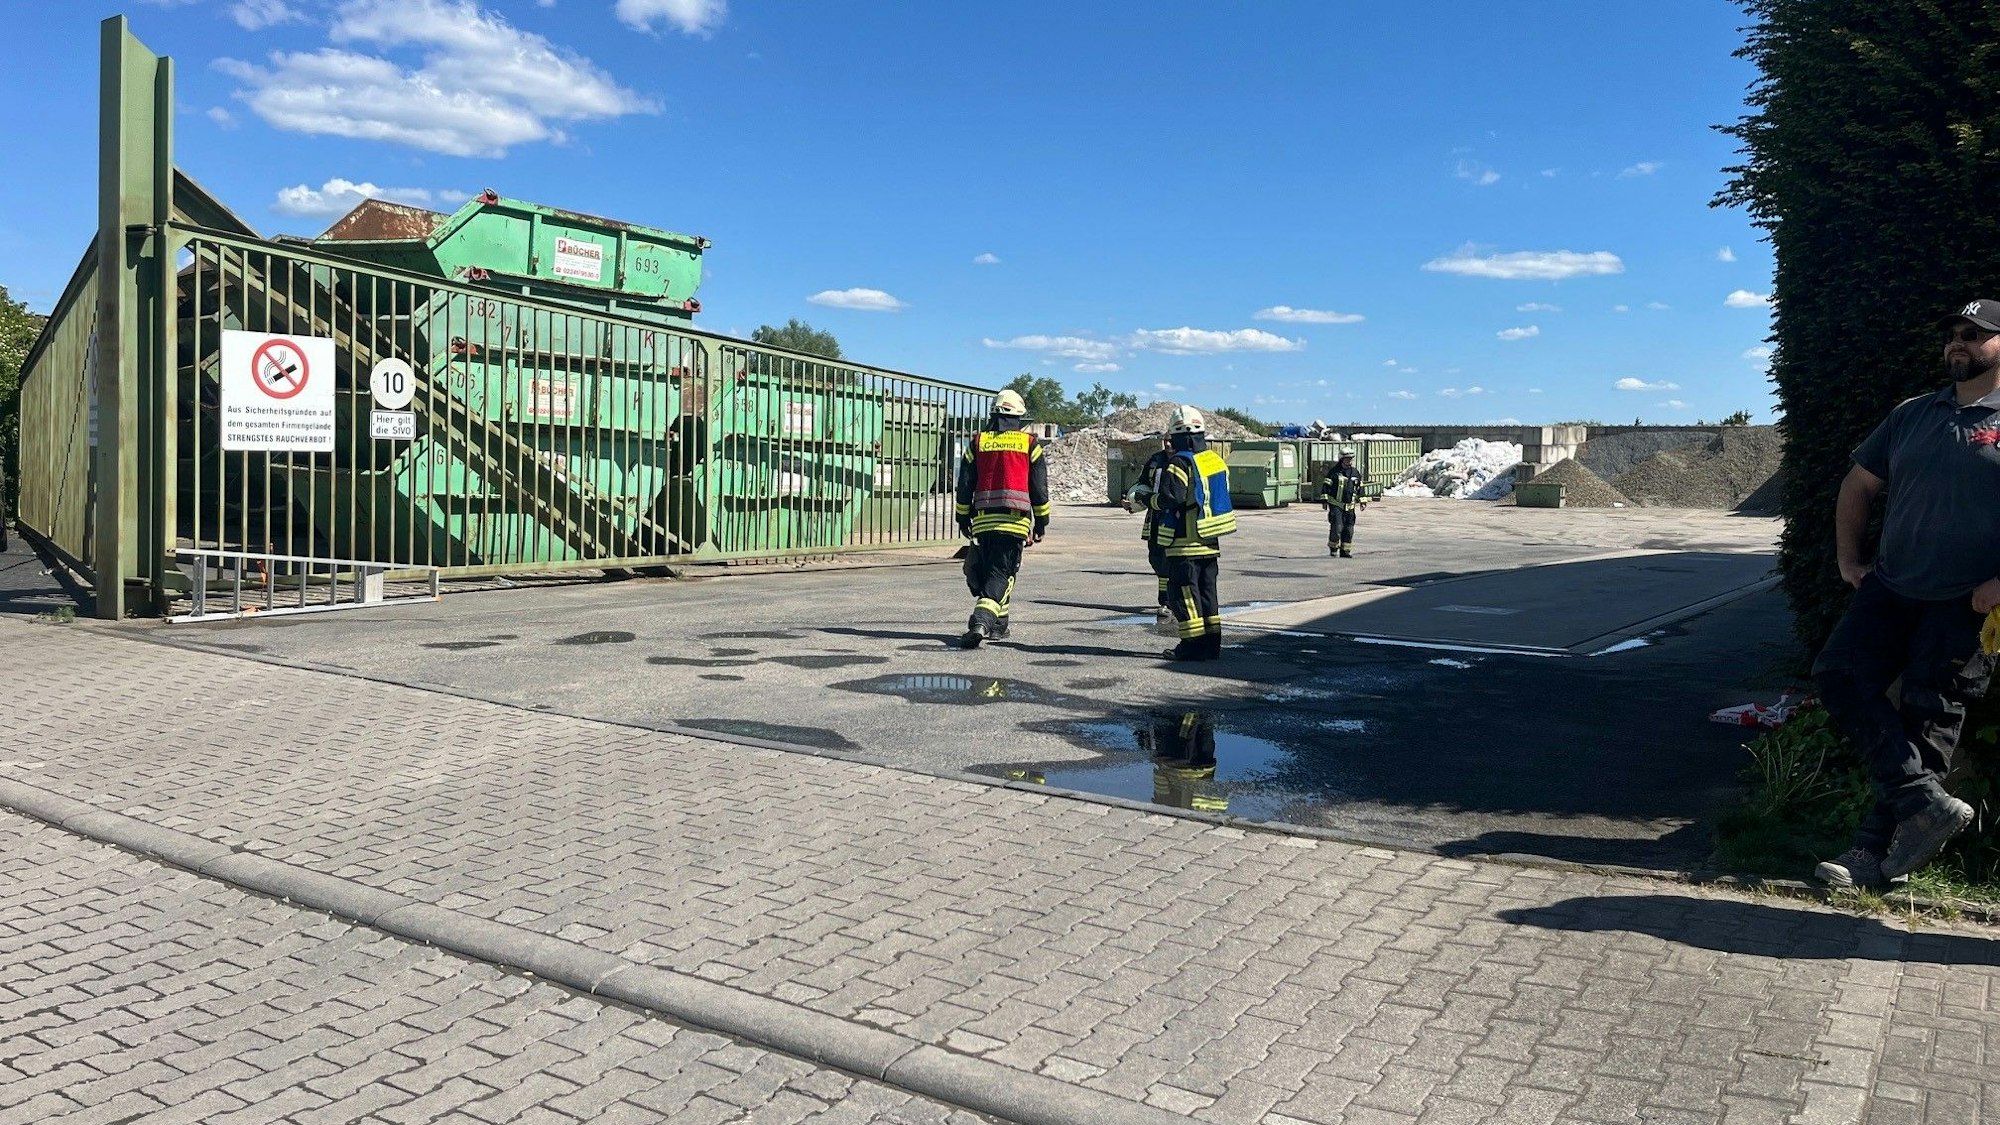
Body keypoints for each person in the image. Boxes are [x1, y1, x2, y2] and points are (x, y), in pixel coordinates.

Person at [1811, 298, 2000, 890]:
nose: (1958, 344)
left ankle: (1870, 858)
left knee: (1929, 719)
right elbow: (1858, 485)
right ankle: (1923, 803)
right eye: (1953, 335)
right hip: (1889, 588)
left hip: (1967, 602)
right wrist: (1849, 561)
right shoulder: (1913, 414)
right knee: (1839, 676)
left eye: (1975, 334)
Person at [953, 389, 1050, 648]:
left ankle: (999, 625)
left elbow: (964, 485)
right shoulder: (1029, 444)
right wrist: (1041, 522)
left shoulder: (978, 442)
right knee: (1001, 573)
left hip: (983, 521)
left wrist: (962, 518)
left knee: (997, 573)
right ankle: (981, 622)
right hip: (1014, 521)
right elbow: (1039, 489)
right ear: (1018, 418)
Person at [1149, 406, 1236, 661]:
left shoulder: (1179, 463)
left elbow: (1170, 498)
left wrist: (1148, 499)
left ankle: (1191, 646)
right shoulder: (1215, 461)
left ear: (1177, 435)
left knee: (1184, 594)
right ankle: (1211, 646)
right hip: (1209, 542)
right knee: (1208, 594)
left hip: (1184, 542)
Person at [1123, 435, 1175, 635]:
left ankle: (1168, 602)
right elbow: (1142, 485)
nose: (1168, 444)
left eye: (1171, 440)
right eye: (1165, 440)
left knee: (1169, 560)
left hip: (1174, 519)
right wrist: (1132, 502)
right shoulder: (1155, 460)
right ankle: (1168, 599)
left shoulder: (1183, 461)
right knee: (1155, 558)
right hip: (1155, 518)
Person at [1323, 448, 1367, 558]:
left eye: (1351, 459)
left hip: (1350, 506)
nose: (1349, 462)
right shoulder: (1334, 472)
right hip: (1336, 505)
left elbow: (1360, 488)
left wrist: (1362, 500)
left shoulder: (1355, 472)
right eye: (1347, 460)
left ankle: (1345, 551)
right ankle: (1333, 548)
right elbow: (1326, 486)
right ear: (1341, 460)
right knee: (1337, 527)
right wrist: (1324, 500)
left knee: (1349, 529)